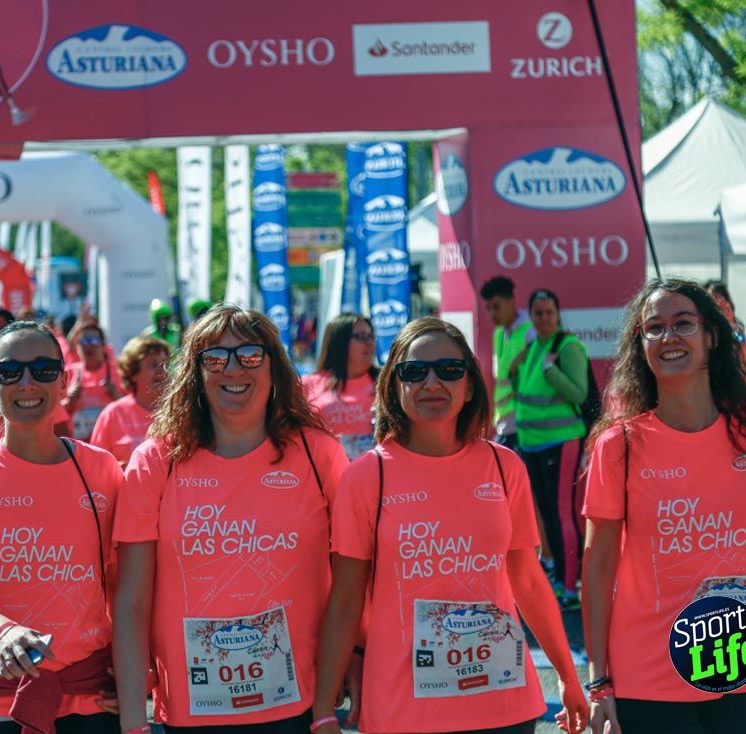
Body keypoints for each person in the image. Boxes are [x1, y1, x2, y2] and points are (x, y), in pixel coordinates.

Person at [312, 316, 588, 734]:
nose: (432, 383)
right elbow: (346, 602)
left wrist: (569, 676)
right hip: (404, 711)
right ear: (394, 384)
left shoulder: (503, 465)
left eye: (449, 370)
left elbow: (528, 581)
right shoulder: (366, 477)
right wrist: (323, 710)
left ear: (470, 384)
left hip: (502, 704)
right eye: (414, 371)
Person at [113, 304, 349, 733]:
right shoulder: (155, 461)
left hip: (300, 707)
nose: (233, 369)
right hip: (192, 710)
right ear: (196, 374)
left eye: (250, 356)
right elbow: (131, 601)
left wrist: (349, 671)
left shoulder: (320, 456)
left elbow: (351, 582)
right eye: (216, 359)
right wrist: (133, 722)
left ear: (275, 369)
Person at [582, 279, 746, 733]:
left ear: (712, 335)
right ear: (640, 346)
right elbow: (598, 567)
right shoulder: (617, 445)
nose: (669, 337)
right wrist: (598, 683)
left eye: (683, 323)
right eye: (653, 328)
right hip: (649, 681)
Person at [0, 321, 122, 733]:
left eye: (42, 370)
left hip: (91, 693)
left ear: (63, 380)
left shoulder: (101, 469)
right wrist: (2, 631)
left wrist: (139, 667)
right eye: (10, 371)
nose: (27, 383)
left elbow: (124, 584)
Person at [511, 289, 589, 609]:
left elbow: (580, 393)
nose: (543, 319)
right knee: (543, 513)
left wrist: (550, 371)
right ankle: (559, 578)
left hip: (561, 440)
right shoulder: (533, 347)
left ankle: (570, 586)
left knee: (561, 513)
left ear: (558, 314)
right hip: (531, 444)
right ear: (530, 316)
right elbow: (524, 394)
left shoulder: (567, 346)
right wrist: (516, 371)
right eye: (538, 313)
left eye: (548, 312)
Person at [302, 313, 378, 460]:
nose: (370, 343)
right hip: (325, 476)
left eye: (371, 336)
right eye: (361, 336)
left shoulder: (385, 383)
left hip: (373, 477)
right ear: (339, 342)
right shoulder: (308, 384)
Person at [90, 336, 170, 467]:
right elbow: (95, 465)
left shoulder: (179, 413)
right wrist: (115, 470)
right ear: (132, 373)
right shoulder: (113, 414)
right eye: (153, 365)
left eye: (165, 364)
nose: (162, 371)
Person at [480, 276, 535, 450]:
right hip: (504, 425)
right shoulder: (498, 333)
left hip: (525, 425)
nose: (492, 314)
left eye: (496, 307)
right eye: (488, 308)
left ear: (511, 301)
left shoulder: (531, 331)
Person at [62, 322, 123, 442]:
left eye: (94, 341)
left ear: (103, 346)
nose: (88, 346)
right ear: (77, 346)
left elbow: (132, 410)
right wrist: (69, 400)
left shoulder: (118, 372)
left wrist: (115, 395)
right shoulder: (68, 374)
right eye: (83, 341)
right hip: (78, 447)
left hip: (110, 444)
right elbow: (55, 415)